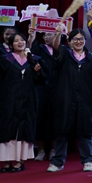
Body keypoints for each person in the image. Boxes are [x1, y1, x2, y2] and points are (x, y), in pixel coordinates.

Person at [0, 31, 45, 172]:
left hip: (28, 102)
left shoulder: (33, 59)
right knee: (8, 129)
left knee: (24, 129)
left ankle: (20, 161)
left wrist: (38, 71)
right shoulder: (5, 59)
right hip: (8, 101)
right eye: (16, 41)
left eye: (22, 40)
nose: (20, 42)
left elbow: (42, 79)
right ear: (10, 44)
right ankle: (7, 161)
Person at [46, 27, 92, 172]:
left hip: (86, 99)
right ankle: (58, 162)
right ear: (70, 41)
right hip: (65, 98)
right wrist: (58, 33)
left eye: (81, 39)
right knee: (62, 130)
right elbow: (56, 47)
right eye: (75, 39)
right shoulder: (65, 55)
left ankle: (88, 160)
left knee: (85, 130)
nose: (78, 42)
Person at [30, 28, 58, 161]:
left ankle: (53, 149)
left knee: (55, 120)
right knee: (40, 119)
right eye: (45, 34)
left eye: (49, 34)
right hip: (41, 89)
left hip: (57, 89)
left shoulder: (61, 50)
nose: (46, 37)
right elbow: (29, 53)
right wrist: (31, 37)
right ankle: (41, 150)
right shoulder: (39, 49)